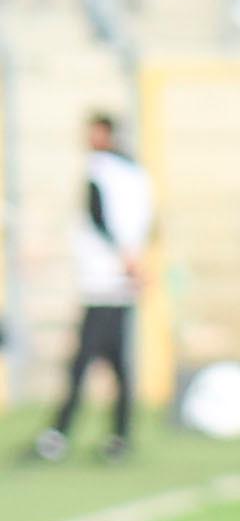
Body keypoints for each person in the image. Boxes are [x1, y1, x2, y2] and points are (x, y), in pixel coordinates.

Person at [33, 113, 150, 467]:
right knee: (115, 363)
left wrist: (126, 257)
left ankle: (59, 435)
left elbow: (100, 218)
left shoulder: (100, 171)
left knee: (84, 361)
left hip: (103, 280)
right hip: (119, 280)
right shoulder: (136, 173)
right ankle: (119, 435)